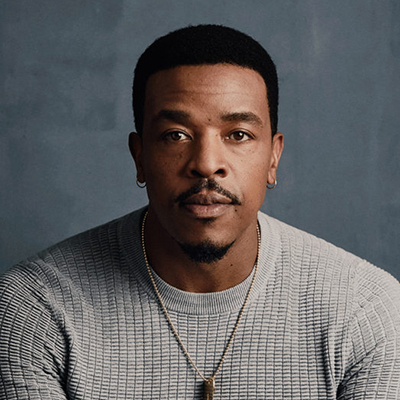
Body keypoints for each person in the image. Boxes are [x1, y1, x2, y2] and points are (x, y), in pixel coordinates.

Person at [1, 24, 399, 400]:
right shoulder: (35, 308)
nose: (207, 164)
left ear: (273, 157)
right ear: (139, 157)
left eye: (238, 135)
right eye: (176, 135)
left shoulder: (366, 310)